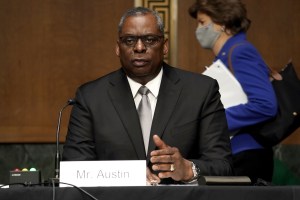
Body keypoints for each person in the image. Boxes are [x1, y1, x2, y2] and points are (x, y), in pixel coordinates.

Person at [62, 6, 232, 185]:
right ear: (118, 48)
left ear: (164, 46)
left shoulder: (201, 91)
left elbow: (223, 166)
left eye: (150, 39)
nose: (139, 47)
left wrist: (189, 169)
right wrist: (128, 174)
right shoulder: (91, 97)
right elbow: (73, 168)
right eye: (129, 40)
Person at [188, 0, 277, 183]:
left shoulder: (240, 51)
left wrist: (214, 122)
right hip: (236, 153)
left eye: (203, 22)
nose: (198, 29)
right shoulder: (225, 56)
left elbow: (265, 105)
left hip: (247, 154)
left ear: (221, 23)